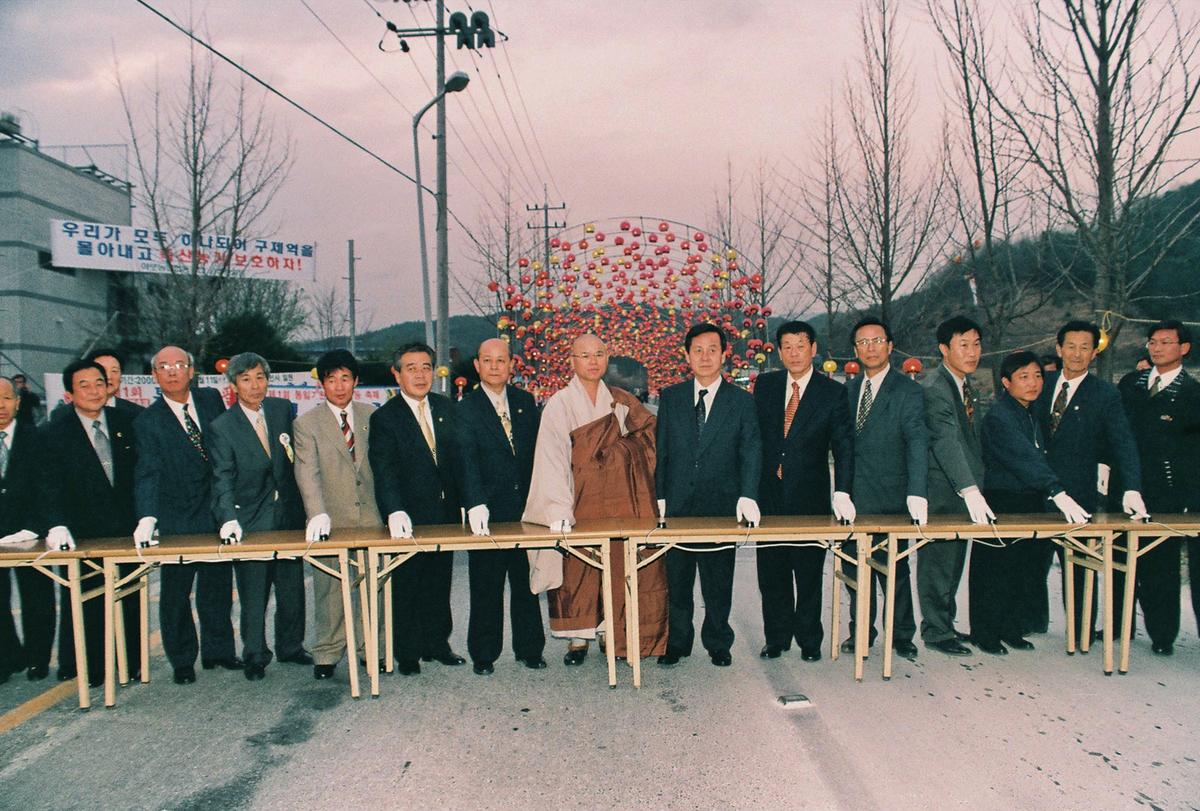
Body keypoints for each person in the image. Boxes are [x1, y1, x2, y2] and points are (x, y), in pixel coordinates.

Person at [523, 333, 667, 664]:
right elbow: (552, 458)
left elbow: (649, 439)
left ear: (607, 358)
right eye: (585, 355)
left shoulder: (620, 399)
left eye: (600, 354)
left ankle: (607, 631)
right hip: (576, 500)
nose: (593, 361)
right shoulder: (559, 403)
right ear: (572, 361)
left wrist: (619, 450)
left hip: (618, 500)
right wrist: (558, 508)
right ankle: (577, 639)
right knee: (576, 571)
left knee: (613, 565)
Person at [655, 323, 762, 668]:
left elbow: (751, 451)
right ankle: (677, 641)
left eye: (712, 349)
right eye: (697, 350)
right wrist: (659, 498)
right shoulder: (670, 398)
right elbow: (662, 452)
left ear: (724, 354)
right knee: (677, 580)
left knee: (718, 581)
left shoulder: (742, 402)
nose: (705, 356)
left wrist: (747, 494)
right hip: (677, 505)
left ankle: (718, 641)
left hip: (721, 504)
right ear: (686, 355)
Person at [133, 346, 239, 686]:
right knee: (176, 593)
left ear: (192, 371)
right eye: (164, 366)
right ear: (154, 376)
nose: (172, 371)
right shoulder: (147, 421)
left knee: (218, 586)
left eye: (179, 364)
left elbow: (225, 452)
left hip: (215, 511)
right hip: (176, 516)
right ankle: (181, 660)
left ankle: (219, 652)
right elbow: (148, 471)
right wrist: (147, 516)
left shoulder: (210, 400)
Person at [1034, 321, 1145, 643]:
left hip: (1079, 493)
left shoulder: (1105, 393)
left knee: (1079, 567)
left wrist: (1133, 487)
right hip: (1034, 490)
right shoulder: (1040, 383)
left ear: (1094, 353)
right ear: (1059, 349)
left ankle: (1081, 629)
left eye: (1085, 347)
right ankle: (1027, 624)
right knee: (1030, 561)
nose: (1077, 353)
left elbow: (1123, 442)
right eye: (1071, 346)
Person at [753, 320, 854, 663]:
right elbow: (754, 442)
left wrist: (843, 491)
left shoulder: (833, 392)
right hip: (768, 496)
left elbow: (843, 446)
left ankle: (810, 640)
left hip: (810, 495)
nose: (794, 353)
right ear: (778, 351)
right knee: (772, 572)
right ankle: (776, 638)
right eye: (787, 346)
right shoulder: (764, 386)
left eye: (801, 345)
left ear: (814, 349)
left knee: (809, 572)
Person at [209, 352, 310, 681]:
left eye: (260, 377)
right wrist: (227, 518)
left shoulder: (282, 410)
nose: (255, 386)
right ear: (234, 385)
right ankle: (254, 654)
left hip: (288, 515)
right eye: (246, 379)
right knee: (254, 592)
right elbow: (221, 477)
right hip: (250, 518)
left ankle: (291, 646)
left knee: (292, 588)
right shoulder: (222, 427)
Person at [39, 359, 141, 686]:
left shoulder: (128, 422)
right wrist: (56, 524)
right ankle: (92, 666)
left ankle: (132, 662)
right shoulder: (54, 433)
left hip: (127, 531)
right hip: (83, 534)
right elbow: (49, 486)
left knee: (129, 596)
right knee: (87, 602)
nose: (94, 390)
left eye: (100, 383)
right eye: (84, 385)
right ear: (69, 393)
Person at [977, 351, 1086, 655]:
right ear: (1006, 382)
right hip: (1003, 499)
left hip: (1030, 498)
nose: (1033, 383)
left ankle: (1011, 628)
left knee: (1022, 569)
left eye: (1038, 376)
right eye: (1023, 377)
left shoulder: (1031, 411)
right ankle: (986, 633)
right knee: (996, 569)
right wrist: (1056, 490)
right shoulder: (1000, 416)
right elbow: (1023, 458)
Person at [368, 342, 466, 675]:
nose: (420, 375)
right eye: (411, 368)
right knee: (407, 583)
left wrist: (473, 503)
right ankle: (407, 653)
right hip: (407, 516)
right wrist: (394, 510)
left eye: (426, 367)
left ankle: (438, 644)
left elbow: (460, 462)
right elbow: (384, 470)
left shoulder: (446, 408)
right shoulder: (385, 418)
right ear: (396, 374)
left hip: (445, 513)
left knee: (440, 581)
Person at [293, 349, 383, 680]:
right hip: (331, 518)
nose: (339, 386)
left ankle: (372, 649)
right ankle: (327, 653)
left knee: (374, 586)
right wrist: (317, 513)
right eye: (331, 379)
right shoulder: (306, 423)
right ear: (322, 385)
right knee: (329, 589)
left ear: (356, 381)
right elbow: (307, 472)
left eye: (346, 378)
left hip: (372, 516)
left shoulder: (373, 415)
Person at [1111, 321, 1200, 655]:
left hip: (1166, 489)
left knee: (1161, 563)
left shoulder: (1192, 394)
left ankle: (1163, 634)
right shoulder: (1131, 384)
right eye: (1153, 341)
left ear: (1184, 348)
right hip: (1125, 484)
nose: (1157, 347)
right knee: (1121, 556)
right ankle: (1119, 624)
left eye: (1166, 342)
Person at [458, 339, 546, 675]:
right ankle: (484, 654)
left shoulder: (525, 402)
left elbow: (539, 456)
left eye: (502, 360)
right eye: (487, 361)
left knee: (526, 584)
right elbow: (465, 461)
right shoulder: (465, 409)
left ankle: (530, 650)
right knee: (486, 586)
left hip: (525, 512)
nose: (495, 366)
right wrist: (474, 503)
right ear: (477, 366)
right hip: (488, 514)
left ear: (512, 365)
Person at [841, 317, 927, 660]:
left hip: (892, 494)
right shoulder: (846, 391)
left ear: (890, 346)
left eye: (877, 340)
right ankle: (860, 631)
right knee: (853, 568)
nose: (871, 347)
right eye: (863, 342)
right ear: (855, 350)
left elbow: (917, 441)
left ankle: (902, 634)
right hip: (852, 497)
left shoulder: (909, 391)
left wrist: (917, 491)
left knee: (895, 570)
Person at [918, 316, 993, 657]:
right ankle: (936, 630)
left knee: (953, 562)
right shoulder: (935, 387)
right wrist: (969, 488)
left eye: (976, 344)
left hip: (961, 490)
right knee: (938, 563)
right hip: (943, 491)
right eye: (963, 345)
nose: (972, 352)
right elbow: (945, 440)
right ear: (944, 349)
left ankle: (944, 623)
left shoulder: (964, 385)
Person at [0, 377, 54, 682]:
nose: (0, 406)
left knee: (37, 598)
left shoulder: (38, 438)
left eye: (6, 398)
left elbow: (47, 486)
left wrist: (36, 527)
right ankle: (7, 657)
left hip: (30, 533)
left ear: (18, 403)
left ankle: (38, 659)